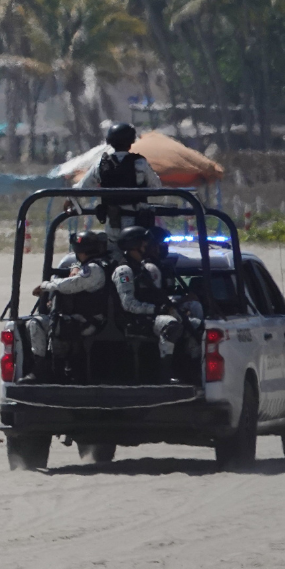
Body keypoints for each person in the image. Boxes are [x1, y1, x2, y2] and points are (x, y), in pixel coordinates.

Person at [23, 231, 111, 383]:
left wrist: (46, 286)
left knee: (60, 325)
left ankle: (62, 370)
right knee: (36, 322)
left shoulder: (95, 269)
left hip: (89, 320)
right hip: (75, 317)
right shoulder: (87, 265)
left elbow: (72, 285)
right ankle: (40, 368)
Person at [111, 226, 185, 381]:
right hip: (133, 319)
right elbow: (128, 304)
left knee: (190, 322)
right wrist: (156, 309)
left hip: (148, 316)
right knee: (171, 325)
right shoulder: (124, 271)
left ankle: (190, 368)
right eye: (144, 245)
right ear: (134, 246)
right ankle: (165, 374)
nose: (147, 249)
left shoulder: (143, 268)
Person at [79, 123, 162, 230]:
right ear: (131, 142)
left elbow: (82, 187)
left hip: (113, 224)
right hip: (138, 225)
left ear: (110, 142)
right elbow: (156, 187)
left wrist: (69, 199)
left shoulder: (101, 164)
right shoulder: (140, 163)